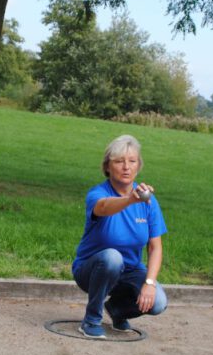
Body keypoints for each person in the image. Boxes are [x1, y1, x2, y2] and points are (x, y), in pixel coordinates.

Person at [72, 135, 168, 338]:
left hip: (130, 271)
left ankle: (117, 310)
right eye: (119, 161)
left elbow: (155, 247)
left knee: (158, 303)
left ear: (138, 166)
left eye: (132, 161)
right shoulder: (97, 193)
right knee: (112, 257)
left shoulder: (149, 201)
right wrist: (129, 199)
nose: (126, 167)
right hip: (91, 270)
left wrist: (149, 283)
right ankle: (91, 321)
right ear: (108, 167)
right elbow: (104, 207)